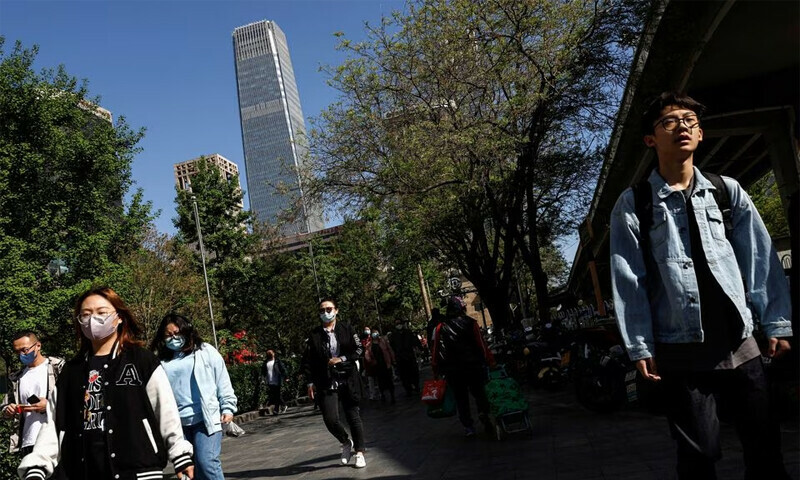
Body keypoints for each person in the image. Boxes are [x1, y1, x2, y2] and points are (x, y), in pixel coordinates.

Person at [610, 92, 793, 480]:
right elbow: (629, 280)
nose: (683, 126)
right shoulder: (635, 203)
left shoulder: (726, 190)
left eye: (690, 120)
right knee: (699, 456)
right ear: (650, 139)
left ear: (701, 133)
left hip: (740, 344)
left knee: (765, 450)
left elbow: (759, 259)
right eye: (670, 121)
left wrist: (776, 322)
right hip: (681, 350)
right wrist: (639, 345)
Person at [19, 287, 194, 480]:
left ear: (119, 317)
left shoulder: (140, 360)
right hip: (84, 470)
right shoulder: (72, 371)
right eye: (85, 315)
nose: (93, 320)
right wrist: (38, 465)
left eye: (102, 312)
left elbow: (165, 410)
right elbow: (53, 422)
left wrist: (180, 455)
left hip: (138, 469)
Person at [151, 313, 238, 480]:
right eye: (168, 335)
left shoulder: (205, 351)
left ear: (186, 331)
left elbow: (222, 380)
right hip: (178, 423)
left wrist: (228, 407)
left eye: (177, 333)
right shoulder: (160, 360)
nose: (173, 338)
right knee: (188, 471)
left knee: (207, 463)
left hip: (205, 419)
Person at [301, 298, 367, 468]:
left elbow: (359, 349)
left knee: (353, 415)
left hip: (348, 378)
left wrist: (342, 358)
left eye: (329, 309)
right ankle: (345, 441)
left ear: (336, 310)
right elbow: (308, 361)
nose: (326, 313)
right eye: (322, 310)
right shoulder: (314, 335)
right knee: (330, 419)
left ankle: (360, 452)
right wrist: (309, 383)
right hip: (327, 381)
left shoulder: (347, 328)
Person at [431, 296, 495, 437]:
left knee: (461, 399)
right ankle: (483, 414)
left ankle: (468, 426)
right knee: (479, 393)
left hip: (453, 370)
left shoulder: (440, 327)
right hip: (473, 366)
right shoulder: (471, 323)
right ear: (462, 308)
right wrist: (489, 360)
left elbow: (436, 350)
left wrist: (436, 368)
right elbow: (481, 345)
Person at [1, 331, 64, 458]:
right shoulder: (16, 378)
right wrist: (8, 409)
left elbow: (74, 400)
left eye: (24, 350)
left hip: (54, 439)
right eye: (17, 352)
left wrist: (49, 406)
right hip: (27, 442)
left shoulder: (58, 368)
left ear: (38, 346)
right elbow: (4, 408)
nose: (21, 355)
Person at [390, 321, 422, 397]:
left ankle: (416, 386)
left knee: (414, 373)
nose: (399, 325)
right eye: (397, 324)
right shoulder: (394, 335)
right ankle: (408, 389)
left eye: (399, 323)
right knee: (404, 375)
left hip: (410, 356)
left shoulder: (408, 332)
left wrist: (418, 348)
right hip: (400, 358)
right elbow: (392, 347)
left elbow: (415, 341)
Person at [364, 329, 396, 404]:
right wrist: (370, 360)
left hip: (386, 363)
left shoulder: (383, 341)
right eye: (373, 334)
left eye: (376, 333)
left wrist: (393, 359)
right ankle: (383, 395)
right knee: (380, 381)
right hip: (377, 365)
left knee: (389, 380)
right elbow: (367, 354)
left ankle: (392, 395)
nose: (375, 335)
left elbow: (390, 350)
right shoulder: (369, 344)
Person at [262, 349, 289, 414]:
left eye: (271, 353)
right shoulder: (266, 362)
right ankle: (283, 405)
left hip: (277, 380)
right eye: (268, 353)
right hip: (270, 381)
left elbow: (283, 369)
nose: (270, 354)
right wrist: (263, 379)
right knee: (275, 395)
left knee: (277, 395)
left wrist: (286, 377)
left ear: (273, 354)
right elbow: (263, 371)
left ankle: (276, 410)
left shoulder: (277, 361)